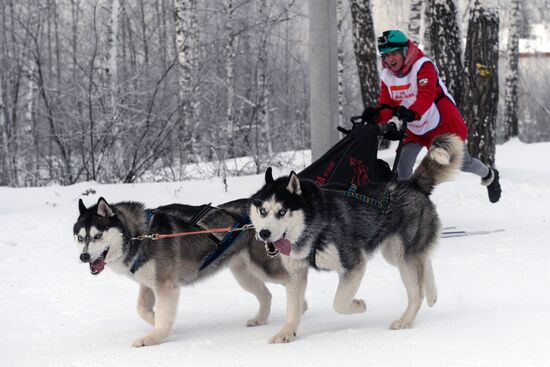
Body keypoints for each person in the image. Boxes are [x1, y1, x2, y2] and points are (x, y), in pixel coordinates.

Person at [362, 29, 501, 203]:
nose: (390, 60)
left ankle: (490, 175)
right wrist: (376, 115)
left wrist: (411, 112)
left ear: (405, 51)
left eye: (394, 54)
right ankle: (408, 209)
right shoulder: (387, 76)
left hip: (442, 124)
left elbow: (425, 96)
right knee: (402, 166)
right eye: (386, 55)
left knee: (464, 163)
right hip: (414, 127)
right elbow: (387, 104)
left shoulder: (423, 66)